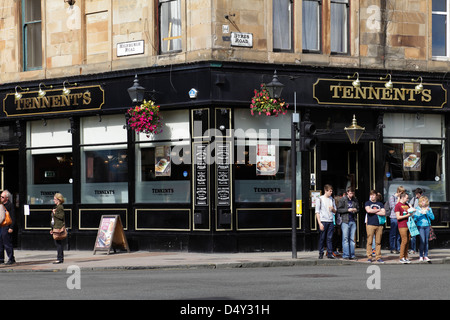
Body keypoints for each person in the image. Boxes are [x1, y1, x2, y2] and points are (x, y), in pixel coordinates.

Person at [315, 184, 337, 259]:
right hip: (323, 221)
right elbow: (317, 212)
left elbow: (335, 211)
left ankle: (329, 253)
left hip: (330, 221)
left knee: (329, 238)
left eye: (331, 191)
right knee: (322, 238)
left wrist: (333, 209)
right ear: (325, 191)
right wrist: (319, 223)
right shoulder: (320, 199)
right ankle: (321, 253)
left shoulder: (332, 199)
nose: (331, 192)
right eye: (330, 191)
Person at [337, 187, 359, 260]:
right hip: (345, 221)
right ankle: (346, 255)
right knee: (345, 238)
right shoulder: (343, 200)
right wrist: (347, 210)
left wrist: (355, 210)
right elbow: (339, 210)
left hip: (353, 220)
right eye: (350, 193)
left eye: (352, 193)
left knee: (352, 239)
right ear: (347, 192)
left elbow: (358, 208)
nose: (351, 194)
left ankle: (352, 255)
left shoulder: (355, 200)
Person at [365, 190, 386, 263]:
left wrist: (374, 210)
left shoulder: (380, 203)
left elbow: (383, 213)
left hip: (379, 225)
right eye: (371, 195)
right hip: (370, 224)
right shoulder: (368, 203)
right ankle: (369, 257)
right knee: (369, 241)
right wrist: (378, 210)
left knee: (378, 242)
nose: (372, 196)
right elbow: (369, 211)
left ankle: (378, 257)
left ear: (376, 196)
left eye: (373, 195)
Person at [394, 192, 415, 264]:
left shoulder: (407, 205)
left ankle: (406, 257)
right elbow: (398, 217)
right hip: (402, 225)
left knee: (408, 241)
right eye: (407, 198)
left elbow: (413, 210)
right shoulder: (398, 205)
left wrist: (410, 206)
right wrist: (408, 215)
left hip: (409, 224)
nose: (407, 199)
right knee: (404, 240)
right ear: (402, 198)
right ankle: (401, 257)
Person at [413, 195, 434, 262]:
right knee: (422, 241)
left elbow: (433, 218)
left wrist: (428, 212)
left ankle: (426, 255)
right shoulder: (417, 208)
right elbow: (415, 218)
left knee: (426, 241)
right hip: (420, 226)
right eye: (422, 201)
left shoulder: (429, 208)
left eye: (424, 201)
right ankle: (421, 256)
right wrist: (421, 214)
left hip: (427, 226)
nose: (423, 203)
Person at [388, 186, 405, 254]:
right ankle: (392, 248)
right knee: (393, 234)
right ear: (399, 192)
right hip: (394, 217)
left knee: (399, 234)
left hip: (400, 217)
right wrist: (398, 201)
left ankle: (398, 248)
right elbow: (393, 207)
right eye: (402, 193)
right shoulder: (392, 197)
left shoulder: (401, 198)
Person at [0, 190, 15, 265]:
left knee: (7, 243)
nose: (1, 198)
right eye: (1, 196)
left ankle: (11, 258)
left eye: (2, 197)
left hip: (6, 226)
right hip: (1, 226)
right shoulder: (1, 204)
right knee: (0, 243)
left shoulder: (10, 205)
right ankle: (1, 258)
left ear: (7, 198)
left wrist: (11, 227)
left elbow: (12, 217)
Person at [50, 193, 66, 264]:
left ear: (58, 200)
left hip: (58, 227)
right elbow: (53, 219)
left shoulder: (60, 207)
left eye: (55, 199)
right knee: (57, 243)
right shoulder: (56, 207)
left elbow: (61, 216)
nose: (54, 200)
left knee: (58, 243)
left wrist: (54, 213)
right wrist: (51, 228)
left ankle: (60, 258)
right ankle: (59, 258)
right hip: (55, 227)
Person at [408, 188, 423, 255]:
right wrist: (411, 207)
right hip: (414, 218)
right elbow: (410, 204)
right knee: (413, 235)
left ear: (421, 194)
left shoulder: (423, 199)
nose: (417, 195)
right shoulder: (414, 199)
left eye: (418, 194)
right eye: (416, 194)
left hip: (420, 219)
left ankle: (421, 248)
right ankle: (413, 249)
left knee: (421, 235)